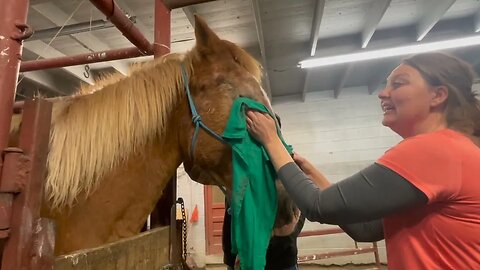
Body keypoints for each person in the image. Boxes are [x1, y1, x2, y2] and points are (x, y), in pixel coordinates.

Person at [246, 52, 480, 270]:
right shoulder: (455, 149)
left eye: (398, 84)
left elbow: (317, 206)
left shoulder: (433, 149)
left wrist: (271, 140)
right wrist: (309, 172)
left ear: (438, 95)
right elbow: (365, 229)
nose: (382, 93)